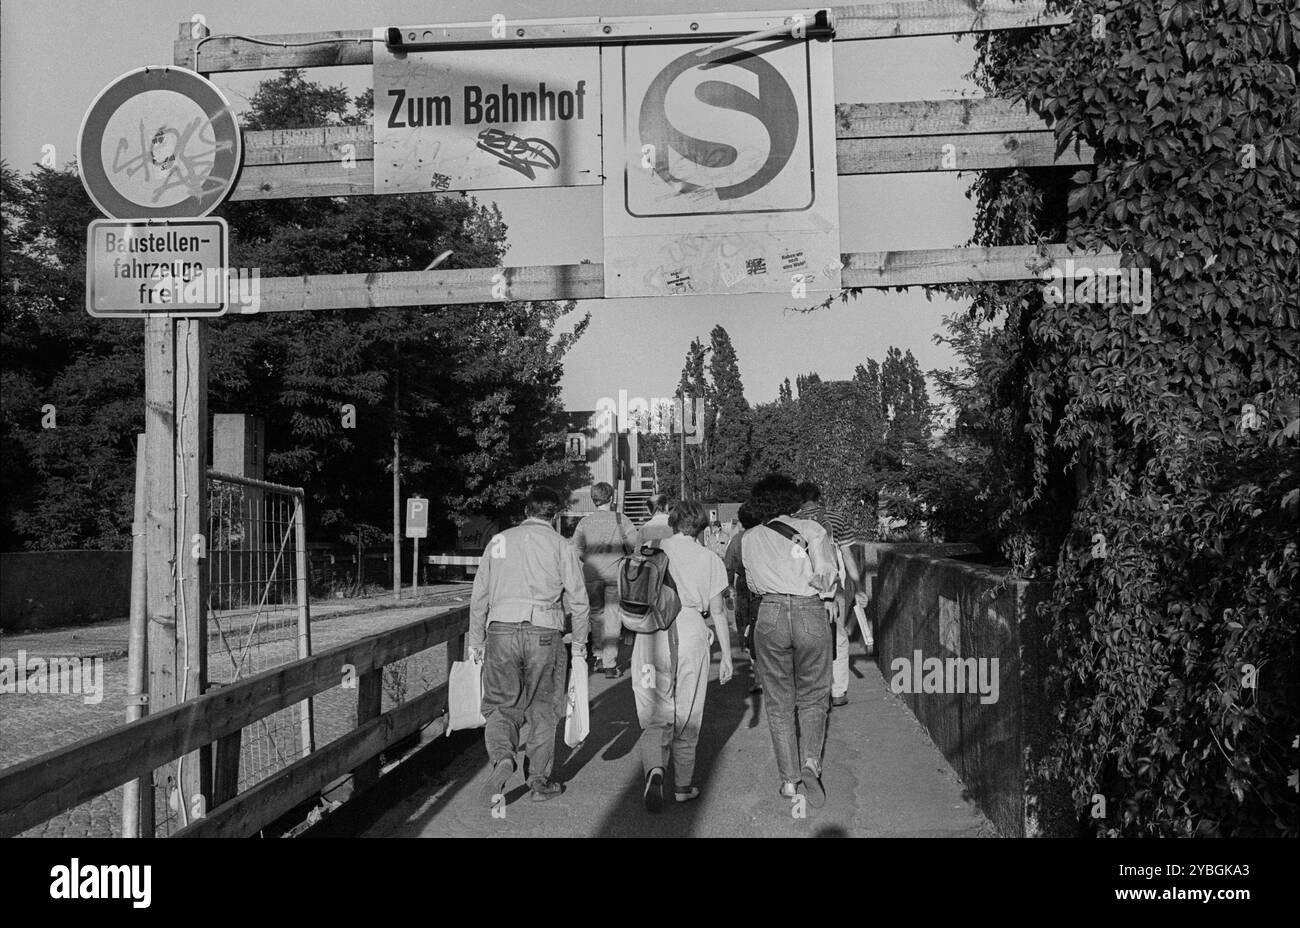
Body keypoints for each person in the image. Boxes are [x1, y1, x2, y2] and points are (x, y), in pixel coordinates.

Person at [468, 486, 589, 806]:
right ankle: (537, 780)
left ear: (525, 511)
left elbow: (479, 595)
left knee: (499, 704)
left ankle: (502, 758)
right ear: (556, 515)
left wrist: (476, 641)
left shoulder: (498, 542)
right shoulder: (561, 546)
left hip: (501, 631)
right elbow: (579, 601)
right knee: (543, 708)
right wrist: (579, 644)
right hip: (545, 633)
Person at [742, 473, 840, 807]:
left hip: (769, 613)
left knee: (779, 701)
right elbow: (827, 578)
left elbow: (753, 585)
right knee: (813, 695)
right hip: (809, 611)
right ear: (791, 500)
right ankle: (811, 761)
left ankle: (789, 781)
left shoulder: (749, 537)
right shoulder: (812, 530)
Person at [633, 500, 733, 811]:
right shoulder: (710, 559)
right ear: (703, 527)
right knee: (688, 710)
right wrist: (727, 656)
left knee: (654, 707)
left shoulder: (650, 548)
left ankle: (655, 769)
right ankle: (683, 785)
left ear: (673, 522)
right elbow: (718, 611)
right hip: (690, 627)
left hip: (651, 630)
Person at [795, 482, 868, 708]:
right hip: (833, 586)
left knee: (803, 638)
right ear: (819, 497)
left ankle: (810, 689)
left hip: (802, 587)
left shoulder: (791, 521)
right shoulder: (836, 518)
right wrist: (858, 586)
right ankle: (838, 691)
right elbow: (847, 554)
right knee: (838, 636)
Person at [573, 482, 640, 678]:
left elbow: (576, 550)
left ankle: (599, 656)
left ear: (594, 500)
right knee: (612, 618)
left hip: (591, 575)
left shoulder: (584, 523)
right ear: (611, 498)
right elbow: (635, 545)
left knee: (595, 615)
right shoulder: (622, 520)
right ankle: (610, 664)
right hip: (614, 575)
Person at [723, 504, 762, 693]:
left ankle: (758, 676)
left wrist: (729, 588)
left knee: (748, 628)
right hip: (767, 586)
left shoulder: (738, 540)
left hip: (745, 586)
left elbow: (728, 566)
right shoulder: (767, 536)